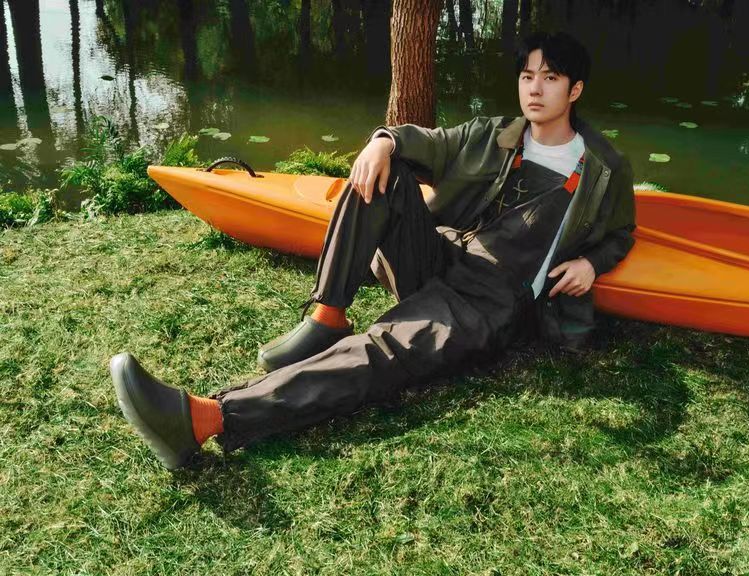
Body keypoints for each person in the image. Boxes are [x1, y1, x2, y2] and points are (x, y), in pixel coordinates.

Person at [110, 31, 636, 470]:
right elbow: (426, 141)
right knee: (382, 174)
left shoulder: (602, 168)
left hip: (491, 302)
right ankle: (327, 316)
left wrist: (590, 263)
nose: (534, 89)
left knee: (385, 349)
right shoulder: (493, 134)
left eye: (550, 78)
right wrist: (383, 140)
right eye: (527, 76)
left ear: (575, 89)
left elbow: (620, 233)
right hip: (445, 255)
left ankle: (205, 419)